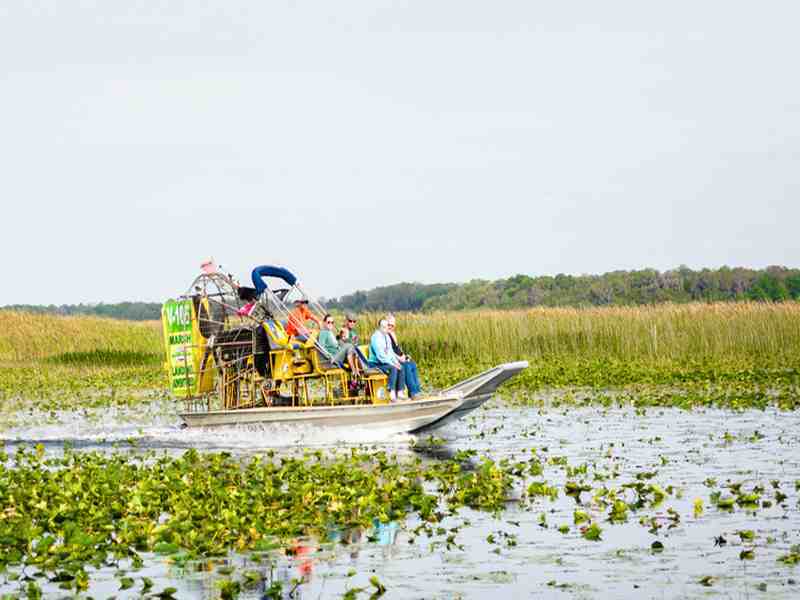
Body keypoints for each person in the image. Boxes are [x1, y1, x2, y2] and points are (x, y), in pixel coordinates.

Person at [386, 313, 422, 399]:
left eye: (393, 325)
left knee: (412, 364)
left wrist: (405, 356)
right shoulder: (385, 335)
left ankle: (417, 391)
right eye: (389, 325)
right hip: (392, 360)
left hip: (399, 357)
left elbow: (398, 349)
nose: (391, 327)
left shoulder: (392, 334)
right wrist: (400, 358)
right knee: (406, 366)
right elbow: (389, 352)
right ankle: (413, 392)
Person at [369, 319, 405, 401]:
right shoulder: (375, 337)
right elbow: (380, 356)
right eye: (384, 327)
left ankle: (400, 391)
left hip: (384, 362)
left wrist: (396, 362)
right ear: (380, 327)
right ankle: (391, 391)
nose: (386, 328)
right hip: (375, 363)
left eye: (387, 326)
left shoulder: (387, 337)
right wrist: (392, 364)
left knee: (400, 367)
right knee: (393, 368)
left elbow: (391, 352)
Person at [318, 314, 364, 380]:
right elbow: (321, 347)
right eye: (328, 322)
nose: (330, 324)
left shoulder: (330, 332)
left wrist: (343, 339)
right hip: (331, 358)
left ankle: (360, 375)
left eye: (332, 322)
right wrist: (328, 355)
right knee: (349, 345)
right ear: (324, 323)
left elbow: (337, 344)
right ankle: (354, 372)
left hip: (337, 355)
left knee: (354, 352)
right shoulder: (324, 332)